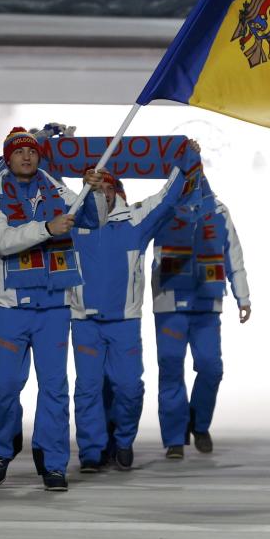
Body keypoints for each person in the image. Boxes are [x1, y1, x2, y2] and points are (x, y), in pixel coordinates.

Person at [0, 127, 106, 491]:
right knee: (3, 386)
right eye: (19, 152)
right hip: (10, 305)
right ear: (7, 157)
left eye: (31, 152)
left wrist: (92, 191)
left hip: (54, 303)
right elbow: (2, 241)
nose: (27, 157)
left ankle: (53, 462)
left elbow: (93, 219)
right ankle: (4, 447)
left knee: (54, 387)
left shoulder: (57, 188)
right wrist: (47, 227)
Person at [70, 143, 199, 473]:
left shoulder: (135, 220)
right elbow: (38, 185)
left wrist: (185, 162)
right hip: (83, 319)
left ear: (117, 191)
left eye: (109, 188)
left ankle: (123, 440)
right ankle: (92, 451)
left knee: (128, 387)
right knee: (88, 390)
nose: (105, 194)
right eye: (99, 188)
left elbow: (167, 196)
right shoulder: (73, 219)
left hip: (124, 321)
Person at [152, 184, 251, 459]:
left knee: (211, 368)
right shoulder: (163, 207)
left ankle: (198, 422)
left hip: (207, 299)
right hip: (169, 298)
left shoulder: (218, 210)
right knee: (170, 367)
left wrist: (242, 295)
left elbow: (233, 253)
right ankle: (174, 437)